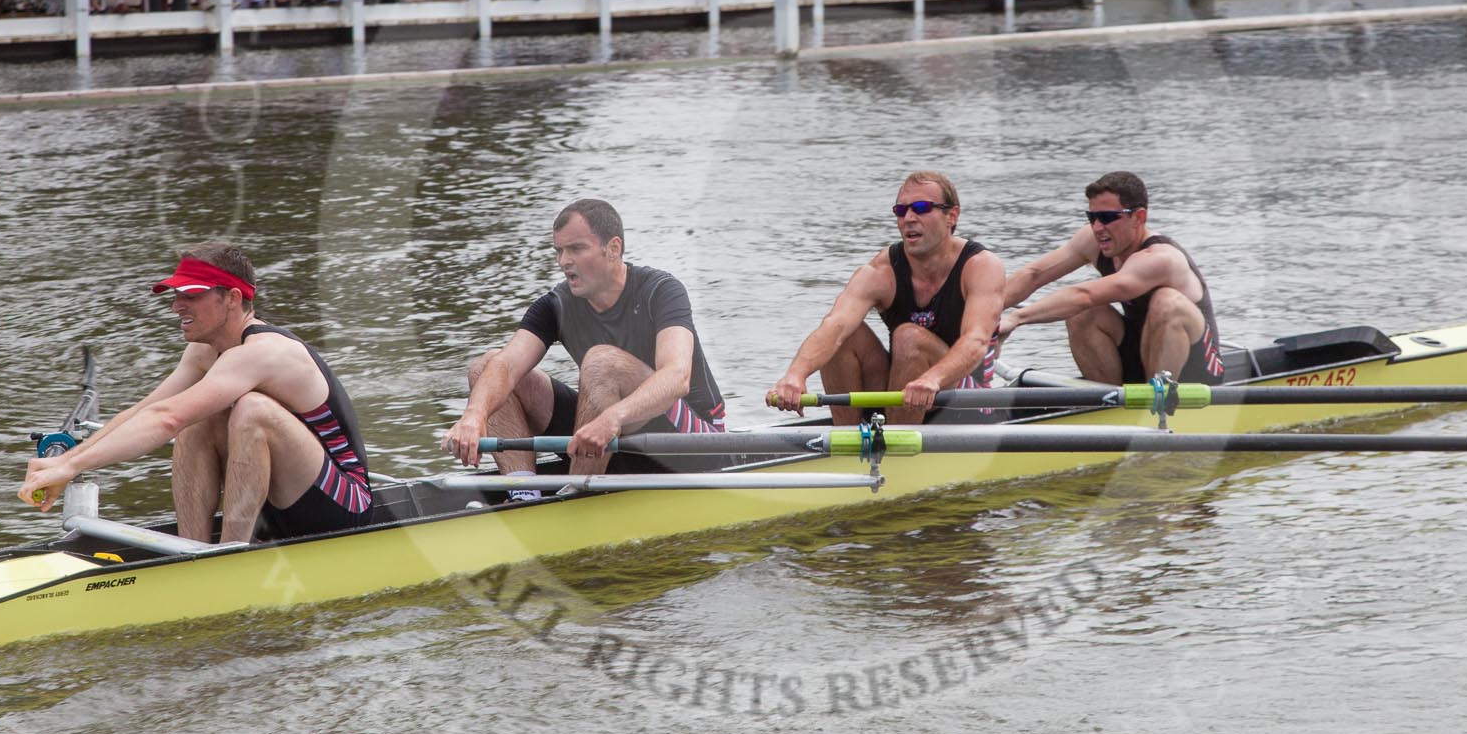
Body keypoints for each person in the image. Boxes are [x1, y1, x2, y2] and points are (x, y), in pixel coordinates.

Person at [18, 242, 376, 544]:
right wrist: (65, 462)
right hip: (278, 500)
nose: (177, 307)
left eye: (192, 295)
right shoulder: (206, 352)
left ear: (232, 298)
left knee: (251, 409)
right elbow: (149, 410)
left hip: (344, 508)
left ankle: (227, 560)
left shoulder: (265, 352)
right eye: (176, 296)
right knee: (195, 417)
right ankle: (194, 551)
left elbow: (165, 419)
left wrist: (71, 465)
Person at [441, 198, 727, 483]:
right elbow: (506, 365)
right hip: (607, 439)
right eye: (559, 251)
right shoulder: (557, 305)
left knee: (601, 362)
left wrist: (612, 418)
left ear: (613, 248)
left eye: (577, 249)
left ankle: (577, 494)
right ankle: (524, 491)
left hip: (693, 444)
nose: (564, 262)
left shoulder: (661, 291)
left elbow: (677, 377)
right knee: (486, 367)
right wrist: (474, 417)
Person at [767, 172, 1005, 427]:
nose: (909, 218)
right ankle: (847, 440)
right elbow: (834, 326)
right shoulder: (881, 271)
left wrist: (933, 378)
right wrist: (795, 375)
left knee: (909, 338)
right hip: (904, 393)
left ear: (952, 216)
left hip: (965, 395)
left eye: (922, 208)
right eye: (901, 210)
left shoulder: (980, 266)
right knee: (846, 335)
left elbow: (976, 340)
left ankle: (897, 450)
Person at [997, 171, 1225, 387]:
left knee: (1166, 302)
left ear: (1138, 217)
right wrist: (979, 314)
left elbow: (1084, 295)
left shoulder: (1161, 258)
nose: (1097, 227)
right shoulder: (1094, 240)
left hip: (1198, 371)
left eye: (1106, 218)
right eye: (1092, 217)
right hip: (1143, 355)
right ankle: (1109, 403)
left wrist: (1016, 318)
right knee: (1082, 313)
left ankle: (1156, 405)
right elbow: (1033, 275)